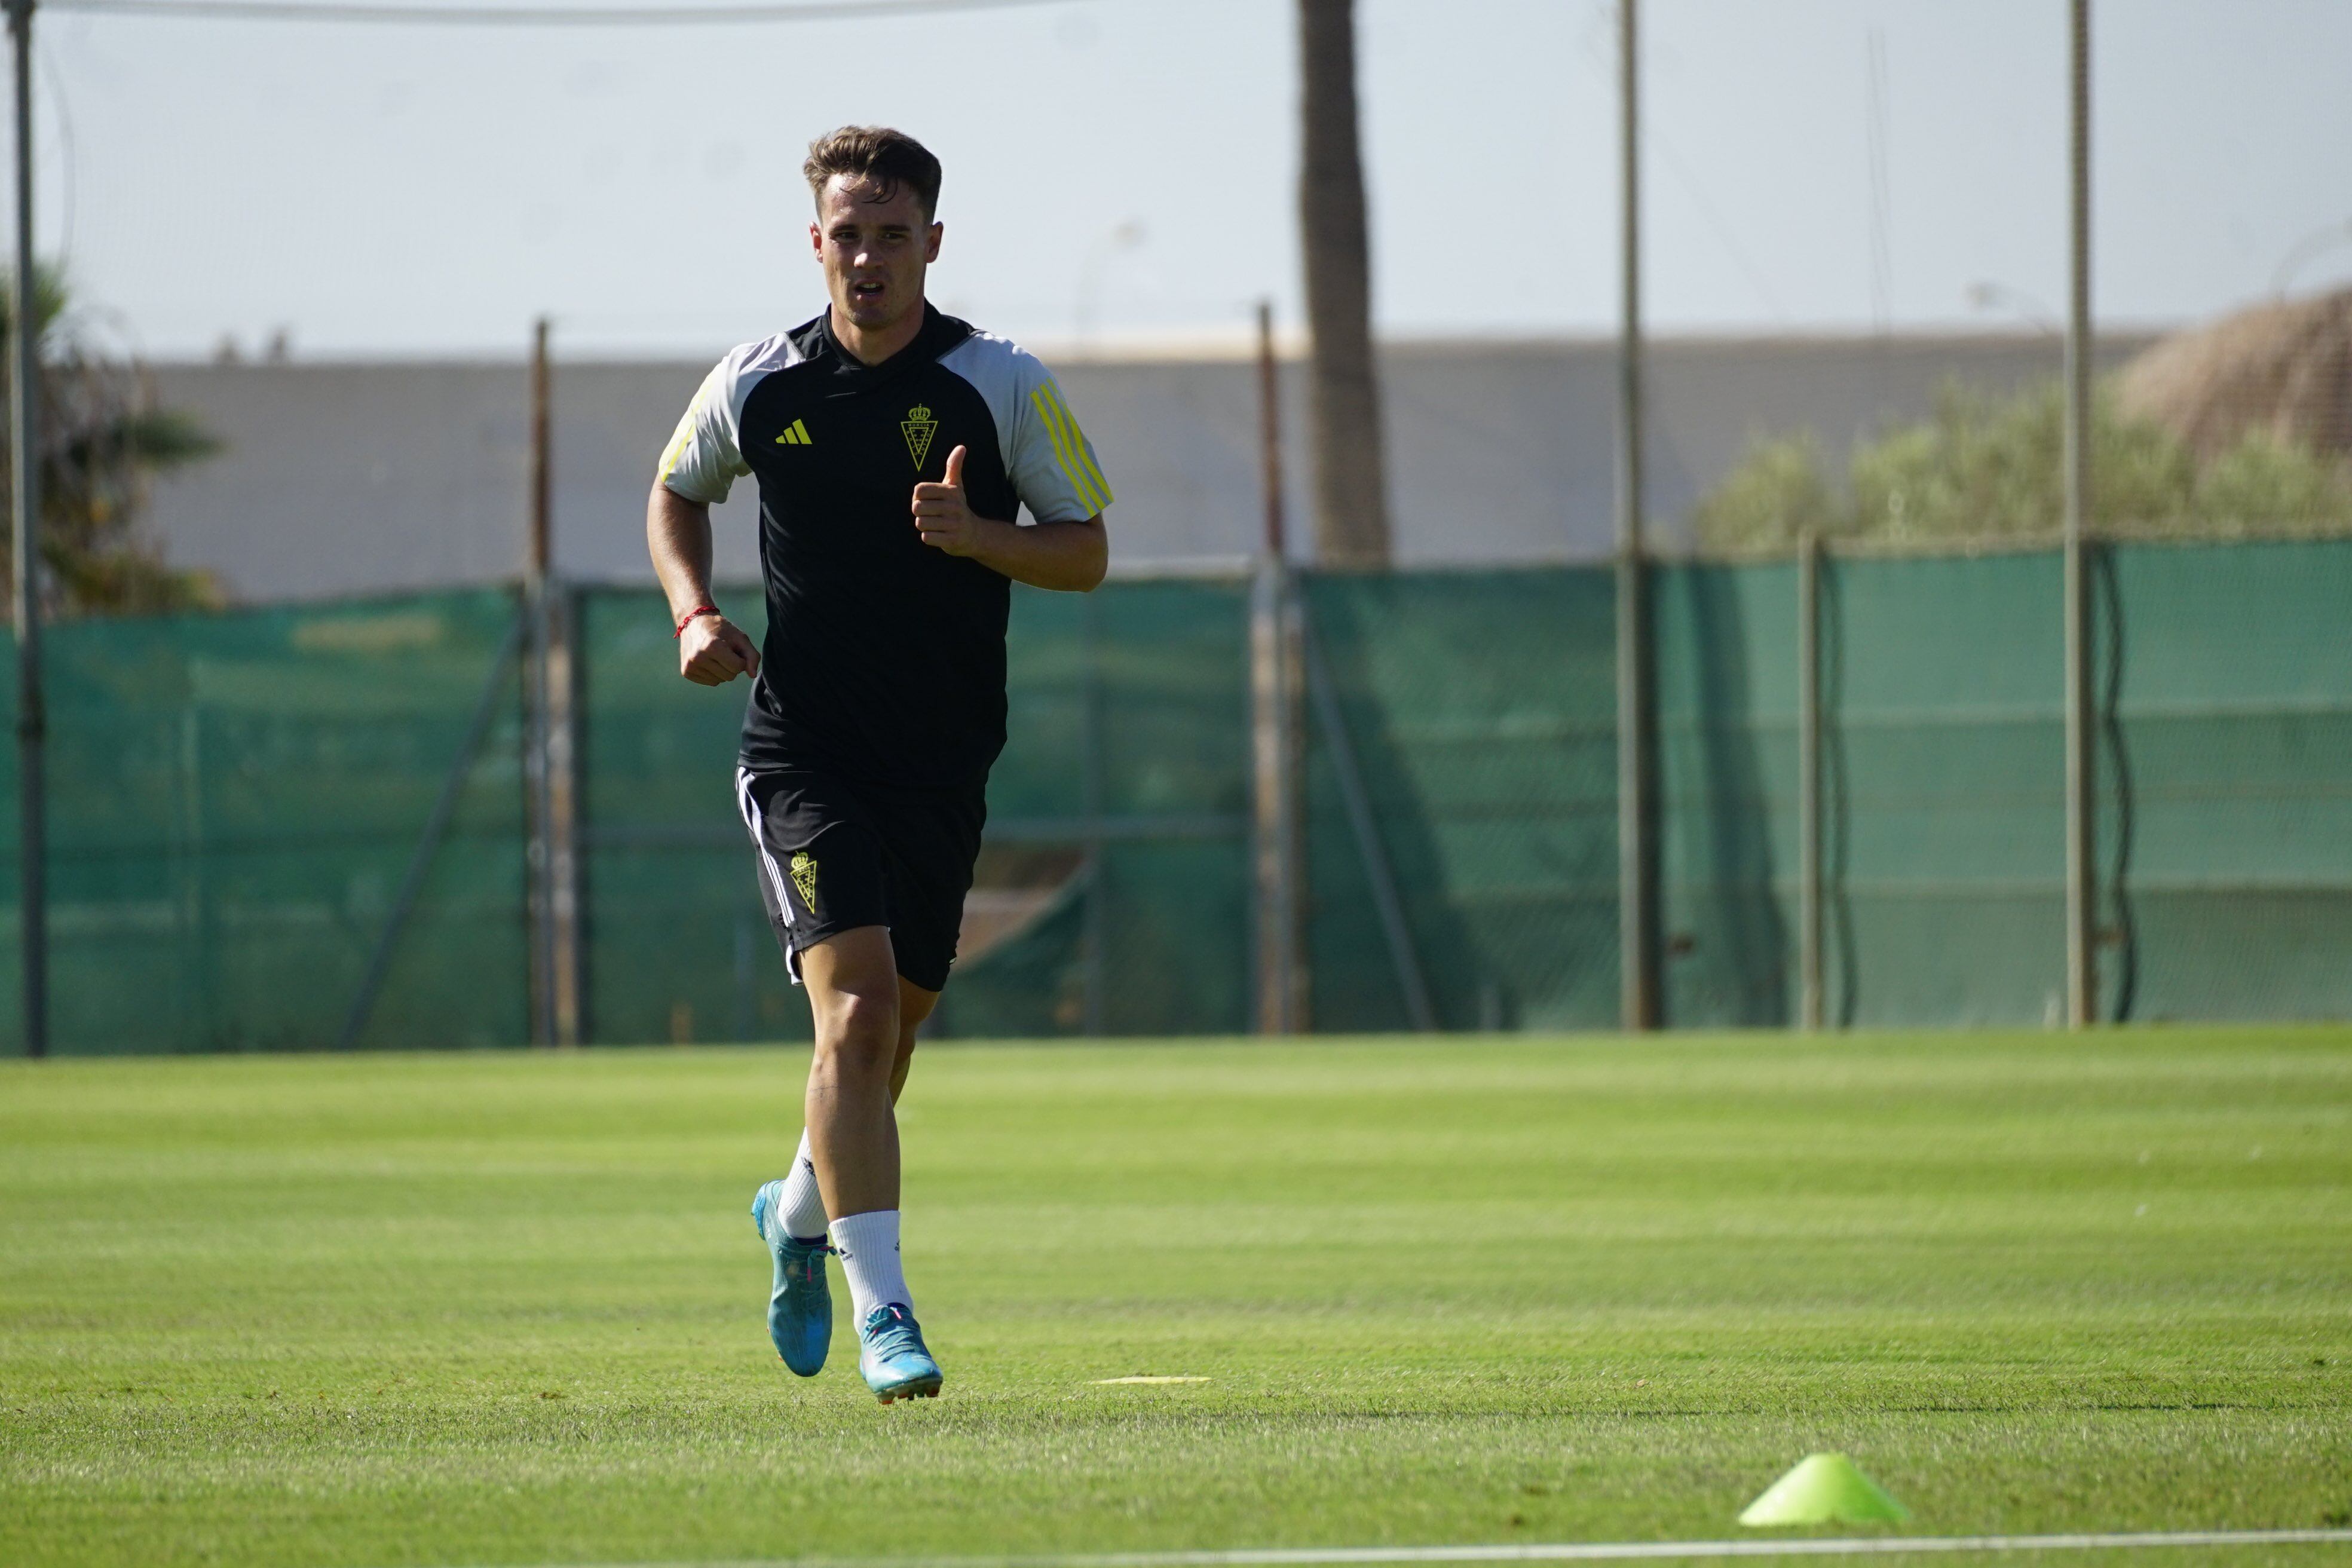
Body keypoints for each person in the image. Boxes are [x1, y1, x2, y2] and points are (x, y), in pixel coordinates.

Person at [644, 125, 1111, 1403]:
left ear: (932, 246)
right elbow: (675, 489)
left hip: (942, 765)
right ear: (816, 245)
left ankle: (797, 1212)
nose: (867, 258)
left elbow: (1087, 550)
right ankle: (886, 1315)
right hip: (803, 751)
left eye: (891, 235)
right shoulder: (758, 381)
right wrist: (694, 612)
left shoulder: (997, 382)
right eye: (845, 235)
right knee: (850, 1016)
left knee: (887, 1043)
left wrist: (980, 535)